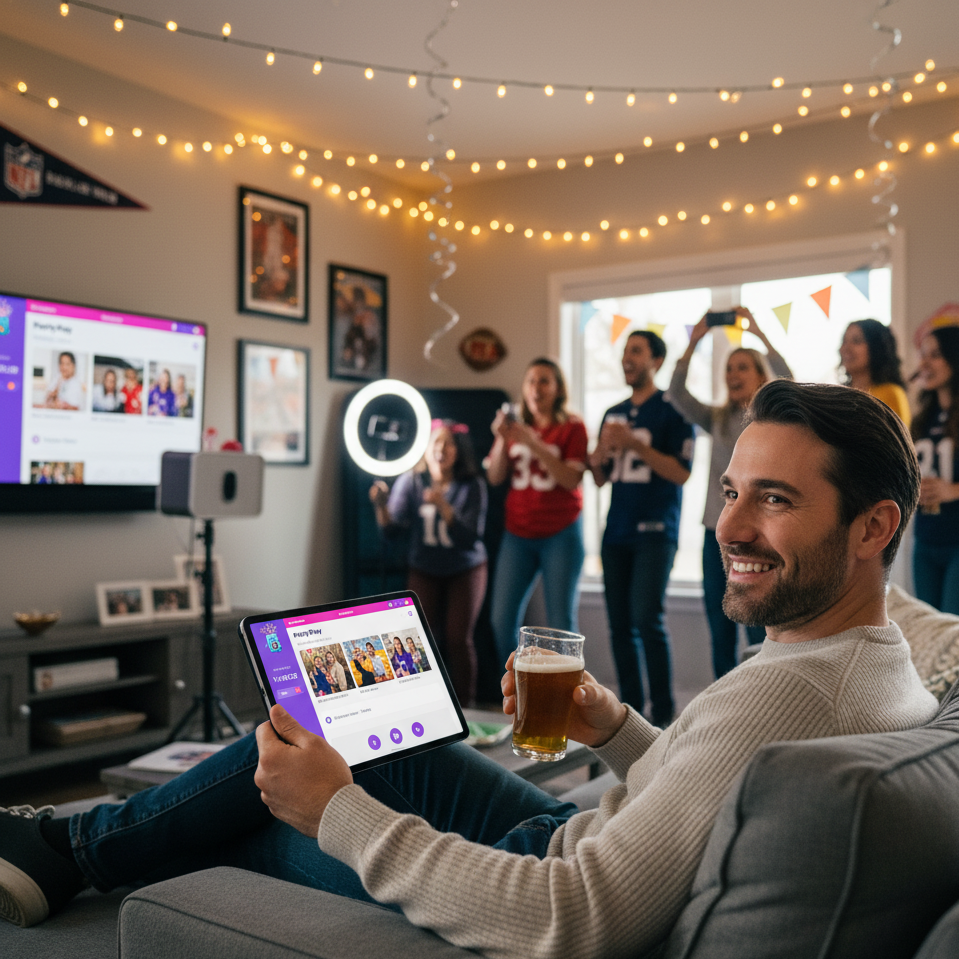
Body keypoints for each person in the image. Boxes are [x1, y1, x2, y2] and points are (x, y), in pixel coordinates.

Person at [0, 383, 937, 959]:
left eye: (773, 500)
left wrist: (336, 812)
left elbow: (574, 919)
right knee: (382, 744)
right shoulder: (877, 655)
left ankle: (72, 850)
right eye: (729, 491)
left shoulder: (793, 685)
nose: (728, 526)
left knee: (274, 792)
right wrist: (614, 727)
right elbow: (718, 788)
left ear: (871, 527)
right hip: (572, 830)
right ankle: (75, 843)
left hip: (542, 875)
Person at [668, 308, 792, 678]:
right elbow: (675, 392)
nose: (733, 374)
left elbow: (788, 379)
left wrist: (758, 333)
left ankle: (762, 693)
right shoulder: (717, 419)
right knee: (719, 623)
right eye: (728, 369)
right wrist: (694, 342)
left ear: (759, 375)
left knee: (758, 623)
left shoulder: (775, 422)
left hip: (759, 535)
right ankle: (725, 697)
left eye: (742, 367)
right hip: (715, 532)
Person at [589, 330, 694, 726]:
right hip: (615, 530)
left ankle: (664, 713)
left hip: (655, 531)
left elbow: (681, 473)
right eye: (624, 352)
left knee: (646, 618)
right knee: (618, 624)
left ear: (657, 361)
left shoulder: (674, 409)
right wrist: (600, 454)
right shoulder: (612, 411)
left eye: (636, 351)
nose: (626, 358)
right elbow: (600, 478)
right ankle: (630, 713)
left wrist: (635, 445)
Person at [369, 420, 487, 704]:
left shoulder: (472, 485)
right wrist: (381, 505)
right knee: (414, 637)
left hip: (465, 566)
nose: (441, 449)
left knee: (458, 639)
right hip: (425, 567)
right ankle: (416, 701)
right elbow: (391, 530)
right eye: (436, 442)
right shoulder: (411, 481)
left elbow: (470, 538)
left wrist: (444, 506)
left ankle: (465, 706)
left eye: (448, 443)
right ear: (424, 449)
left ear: (458, 451)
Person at [487, 358, 588, 667]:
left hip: (561, 533)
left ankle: (565, 699)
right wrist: (504, 439)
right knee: (501, 620)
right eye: (531, 381)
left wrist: (534, 443)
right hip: (518, 533)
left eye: (544, 381)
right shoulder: (515, 428)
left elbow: (571, 479)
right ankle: (521, 687)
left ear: (558, 388)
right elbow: (494, 476)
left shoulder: (573, 426)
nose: (536, 388)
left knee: (561, 623)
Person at [911, 326, 959, 613]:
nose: (924, 364)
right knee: (928, 628)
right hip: (925, 538)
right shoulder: (922, 419)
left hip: (956, 540)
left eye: (936, 355)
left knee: (952, 633)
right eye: (923, 355)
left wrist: (952, 490)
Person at [839, 318, 911, 425]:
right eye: (844, 341)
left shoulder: (891, 394)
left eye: (856, 341)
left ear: (876, 347)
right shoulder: (840, 395)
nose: (846, 348)